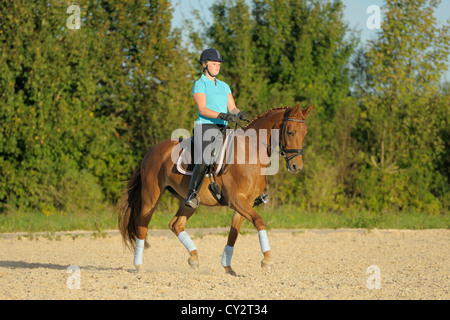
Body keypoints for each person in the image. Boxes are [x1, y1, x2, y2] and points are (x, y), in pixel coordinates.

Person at [185, 48, 267, 209]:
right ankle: (192, 194)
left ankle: (252, 193)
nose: (217, 67)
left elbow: (232, 107)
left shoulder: (224, 86)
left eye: (219, 64)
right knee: (206, 157)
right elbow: (202, 109)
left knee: (245, 150)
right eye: (214, 64)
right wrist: (222, 115)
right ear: (204, 64)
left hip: (223, 128)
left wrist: (239, 113)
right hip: (205, 127)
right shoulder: (199, 84)